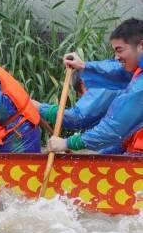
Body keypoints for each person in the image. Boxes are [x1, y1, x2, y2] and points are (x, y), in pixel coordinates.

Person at [48, 19, 143, 155]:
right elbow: (118, 71)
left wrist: (67, 143)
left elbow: (113, 128)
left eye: (119, 50)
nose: (116, 57)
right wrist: (83, 66)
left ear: (141, 46)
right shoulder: (136, 67)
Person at [35, 68, 121, 132]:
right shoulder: (113, 85)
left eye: (82, 96)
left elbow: (77, 118)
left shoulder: (104, 87)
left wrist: (40, 108)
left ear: (83, 84)